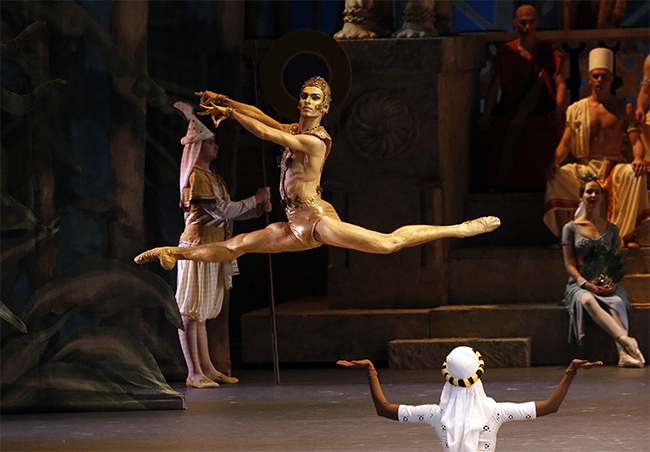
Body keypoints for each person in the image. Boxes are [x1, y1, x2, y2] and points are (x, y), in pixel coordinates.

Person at [135, 77, 500, 270]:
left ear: (324, 106)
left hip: (315, 218)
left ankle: (461, 228)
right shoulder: (296, 128)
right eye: (304, 96)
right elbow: (264, 117)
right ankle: (173, 253)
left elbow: (264, 132)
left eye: (314, 98)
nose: (307, 101)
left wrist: (231, 116)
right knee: (236, 247)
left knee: (387, 244)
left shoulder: (315, 141)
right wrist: (228, 102)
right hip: (293, 222)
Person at [172, 102, 271, 388]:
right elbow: (221, 211)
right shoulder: (195, 177)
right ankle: (194, 372)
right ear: (198, 146)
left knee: (202, 312)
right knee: (191, 311)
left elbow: (226, 212)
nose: (216, 146)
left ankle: (207, 368)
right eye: (211, 142)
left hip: (215, 245)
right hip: (197, 245)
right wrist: (253, 200)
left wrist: (257, 208)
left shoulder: (211, 176)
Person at [338, 346, 603, 452]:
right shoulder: (496, 412)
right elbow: (550, 407)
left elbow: (384, 409)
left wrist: (371, 370)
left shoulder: (435, 414)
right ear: (478, 376)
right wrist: (571, 371)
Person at [544, 47, 649, 248]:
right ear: (590, 79)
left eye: (604, 76)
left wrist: (637, 159)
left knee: (635, 174)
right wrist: (555, 162)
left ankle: (626, 235)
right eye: (596, 76)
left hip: (613, 167)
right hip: (586, 166)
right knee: (558, 175)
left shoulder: (623, 108)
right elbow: (565, 143)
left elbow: (636, 141)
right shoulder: (577, 109)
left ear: (612, 79)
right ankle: (564, 237)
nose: (600, 80)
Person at [479, 5, 566, 191]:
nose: (527, 27)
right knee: (492, 129)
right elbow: (495, 84)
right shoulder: (506, 52)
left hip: (541, 110)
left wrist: (558, 109)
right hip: (511, 109)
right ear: (515, 24)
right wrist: (487, 112)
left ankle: (542, 183)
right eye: (522, 22)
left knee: (548, 130)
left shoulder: (546, 51)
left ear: (537, 23)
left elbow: (560, 83)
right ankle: (501, 183)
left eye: (531, 22)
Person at [561, 175, 645, 368]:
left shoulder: (612, 229)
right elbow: (569, 264)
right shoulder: (570, 228)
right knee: (588, 299)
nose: (593, 195)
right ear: (581, 196)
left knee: (617, 302)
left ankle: (623, 354)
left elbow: (613, 262)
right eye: (588, 191)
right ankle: (626, 341)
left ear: (602, 197)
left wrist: (612, 281)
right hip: (580, 283)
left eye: (597, 192)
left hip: (606, 283)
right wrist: (586, 283)